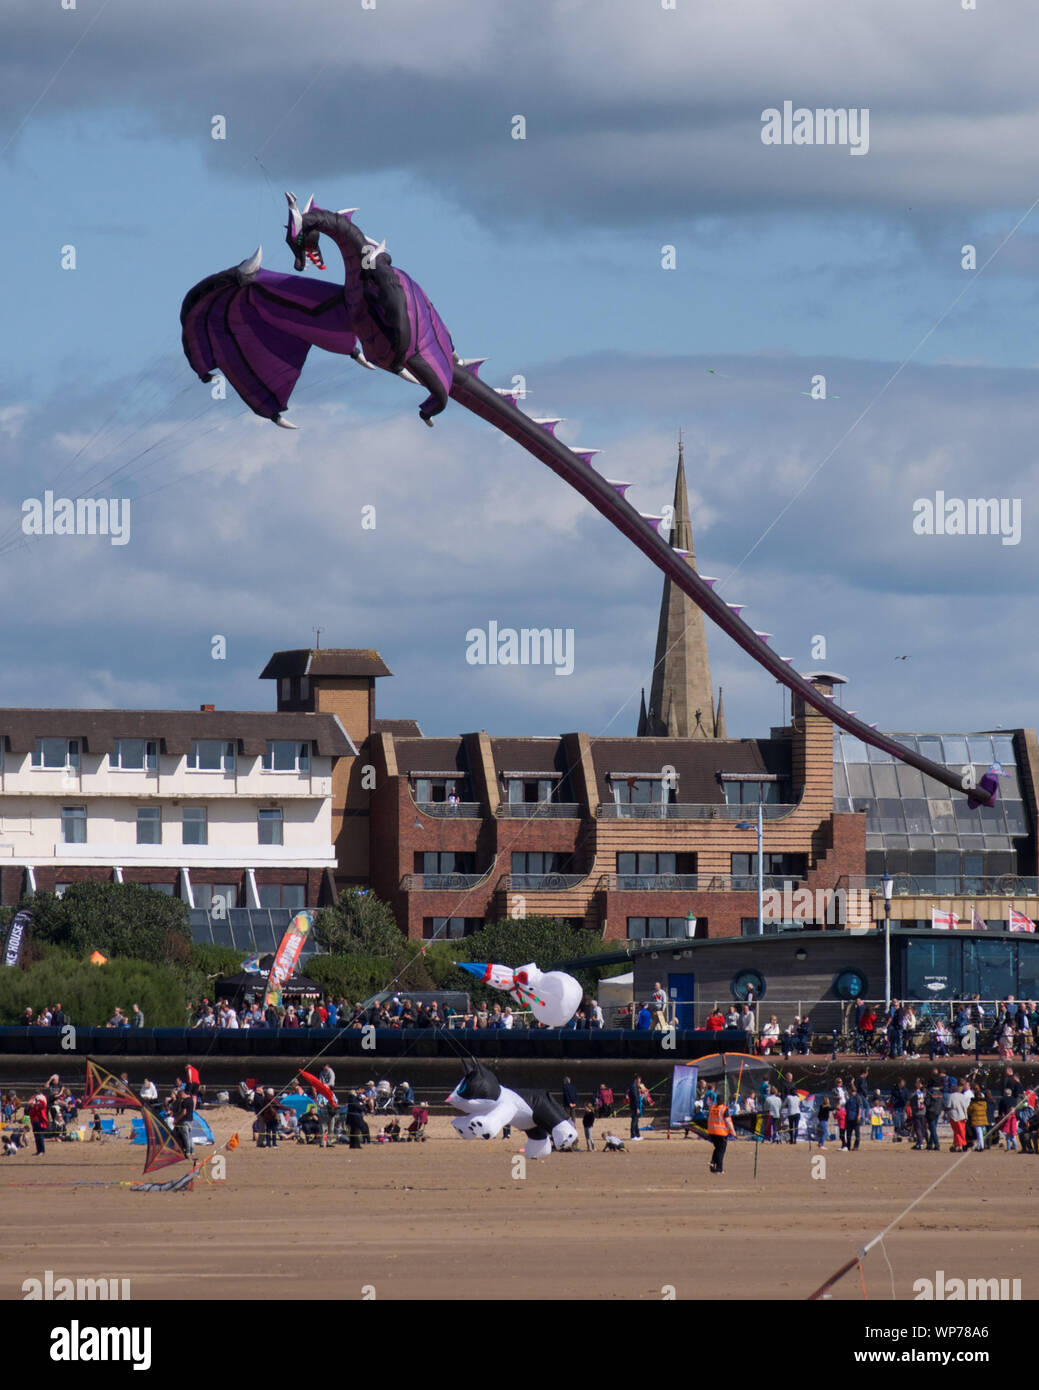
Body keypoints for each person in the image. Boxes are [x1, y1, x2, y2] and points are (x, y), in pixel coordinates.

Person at [707, 1094, 736, 1174]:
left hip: (712, 1132)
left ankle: (713, 1162)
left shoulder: (712, 1108)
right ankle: (719, 1169)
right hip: (721, 1133)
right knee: (721, 1151)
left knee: (717, 1148)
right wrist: (733, 1132)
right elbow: (728, 1121)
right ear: (723, 1101)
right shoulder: (724, 1109)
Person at [947, 1079, 971, 1152]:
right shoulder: (962, 1096)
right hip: (962, 1116)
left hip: (954, 1116)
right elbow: (965, 1107)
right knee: (961, 1131)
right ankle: (958, 1145)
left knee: (956, 1132)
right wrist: (966, 1116)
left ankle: (959, 1145)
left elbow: (948, 1106)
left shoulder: (950, 1096)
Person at [173, 1087, 195, 1158]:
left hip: (184, 1121)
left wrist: (177, 1119)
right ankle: (192, 1150)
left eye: (179, 1096)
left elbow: (184, 1112)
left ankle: (188, 1152)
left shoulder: (184, 1102)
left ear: (181, 1095)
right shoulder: (191, 1100)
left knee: (186, 1137)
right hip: (190, 1120)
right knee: (190, 1136)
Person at [28, 1092, 48, 1156]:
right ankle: (38, 1151)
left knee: (40, 1136)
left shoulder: (42, 1100)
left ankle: (42, 1151)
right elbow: (30, 1104)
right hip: (34, 1120)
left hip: (40, 1121)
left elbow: (42, 1106)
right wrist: (33, 1102)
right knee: (36, 1136)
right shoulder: (34, 1099)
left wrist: (36, 1103)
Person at [627, 1075, 646, 1141]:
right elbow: (635, 1098)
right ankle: (633, 1135)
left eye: (640, 1080)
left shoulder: (636, 1087)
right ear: (635, 1080)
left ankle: (637, 1135)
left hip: (636, 1105)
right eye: (638, 1080)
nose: (639, 1082)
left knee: (636, 1121)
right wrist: (637, 1108)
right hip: (634, 1106)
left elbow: (637, 1097)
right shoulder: (633, 1087)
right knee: (634, 1121)